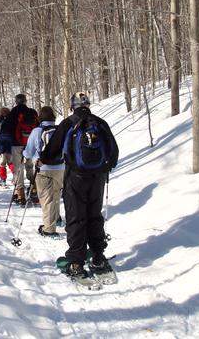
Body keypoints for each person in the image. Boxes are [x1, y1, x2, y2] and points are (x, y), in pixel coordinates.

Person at [40, 92, 119, 278]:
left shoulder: (68, 123)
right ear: (88, 105)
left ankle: (76, 262)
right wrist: (106, 167)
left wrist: (42, 160)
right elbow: (114, 152)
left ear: (72, 106)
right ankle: (98, 256)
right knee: (94, 215)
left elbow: (52, 151)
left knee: (76, 217)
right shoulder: (100, 123)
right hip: (98, 177)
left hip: (75, 177)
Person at [23, 106, 65, 238]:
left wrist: (24, 153)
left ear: (40, 118)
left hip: (43, 169)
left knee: (47, 199)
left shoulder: (37, 131)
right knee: (56, 195)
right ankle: (56, 219)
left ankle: (49, 229)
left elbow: (29, 152)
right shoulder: (60, 130)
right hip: (60, 168)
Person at [3, 93, 39, 206]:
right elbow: (38, 126)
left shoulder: (13, 112)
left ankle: (20, 195)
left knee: (18, 169)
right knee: (29, 166)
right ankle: (34, 189)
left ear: (16, 101)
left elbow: (6, 129)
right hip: (30, 144)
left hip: (16, 144)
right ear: (25, 101)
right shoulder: (32, 112)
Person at [0, 107, 15, 186]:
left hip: (2, 145)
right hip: (11, 144)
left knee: (2, 163)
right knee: (11, 162)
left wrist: (0, 123)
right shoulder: (13, 121)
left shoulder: (1, 122)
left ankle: (3, 180)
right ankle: (15, 176)